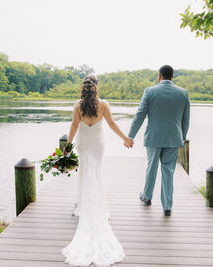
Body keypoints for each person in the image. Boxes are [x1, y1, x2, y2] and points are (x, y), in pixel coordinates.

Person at [62, 75, 131, 266]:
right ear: (97, 88)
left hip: (84, 143)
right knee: (96, 174)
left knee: (85, 174)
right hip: (98, 144)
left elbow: (75, 125)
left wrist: (68, 146)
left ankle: (84, 205)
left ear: (83, 88)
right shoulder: (104, 104)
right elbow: (111, 124)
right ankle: (91, 205)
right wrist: (125, 138)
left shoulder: (78, 105)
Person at [128, 65, 190, 216]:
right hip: (173, 138)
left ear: (159, 76)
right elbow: (186, 119)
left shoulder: (150, 91)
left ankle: (147, 197)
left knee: (151, 168)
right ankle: (167, 206)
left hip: (154, 138)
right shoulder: (183, 93)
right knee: (168, 171)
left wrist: (130, 136)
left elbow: (140, 115)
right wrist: (181, 138)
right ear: (172, 76)